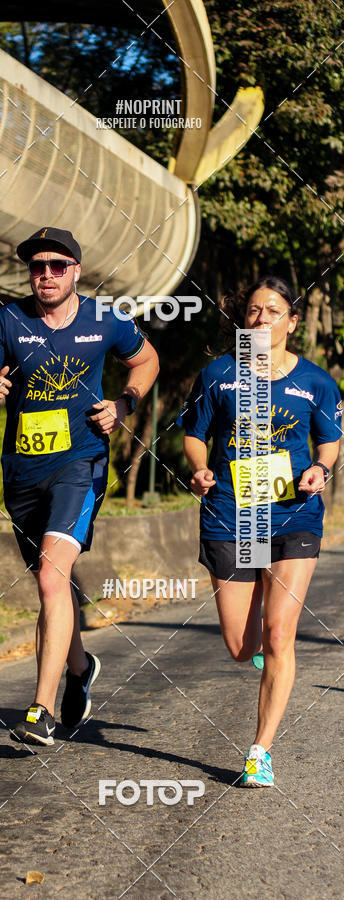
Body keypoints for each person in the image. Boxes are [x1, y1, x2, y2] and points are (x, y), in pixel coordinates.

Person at [0, 227, 159, 745]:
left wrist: (124, 403)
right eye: (36, 267)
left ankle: (40, 711)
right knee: (53, 582)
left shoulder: (104, 320)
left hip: (81, 464)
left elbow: (147, 359)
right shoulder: (8, 320)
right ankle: (78, 668)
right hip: (22, 473)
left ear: (75, 270)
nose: (45, 274)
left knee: (51, 576)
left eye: (56, 265)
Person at [178, 275, 341, 786]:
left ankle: (260, 750)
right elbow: (194, 434)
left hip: (293, 515)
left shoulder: (316, 382)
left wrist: (321, 469)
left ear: (292, 322)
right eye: (253, 310)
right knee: (239, 643)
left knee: (279, 633)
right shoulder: (218, 375)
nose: (261, 319)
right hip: (230, 515)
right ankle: (263, 658)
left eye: (273, 311)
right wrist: (200, 470)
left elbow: (330, 441)